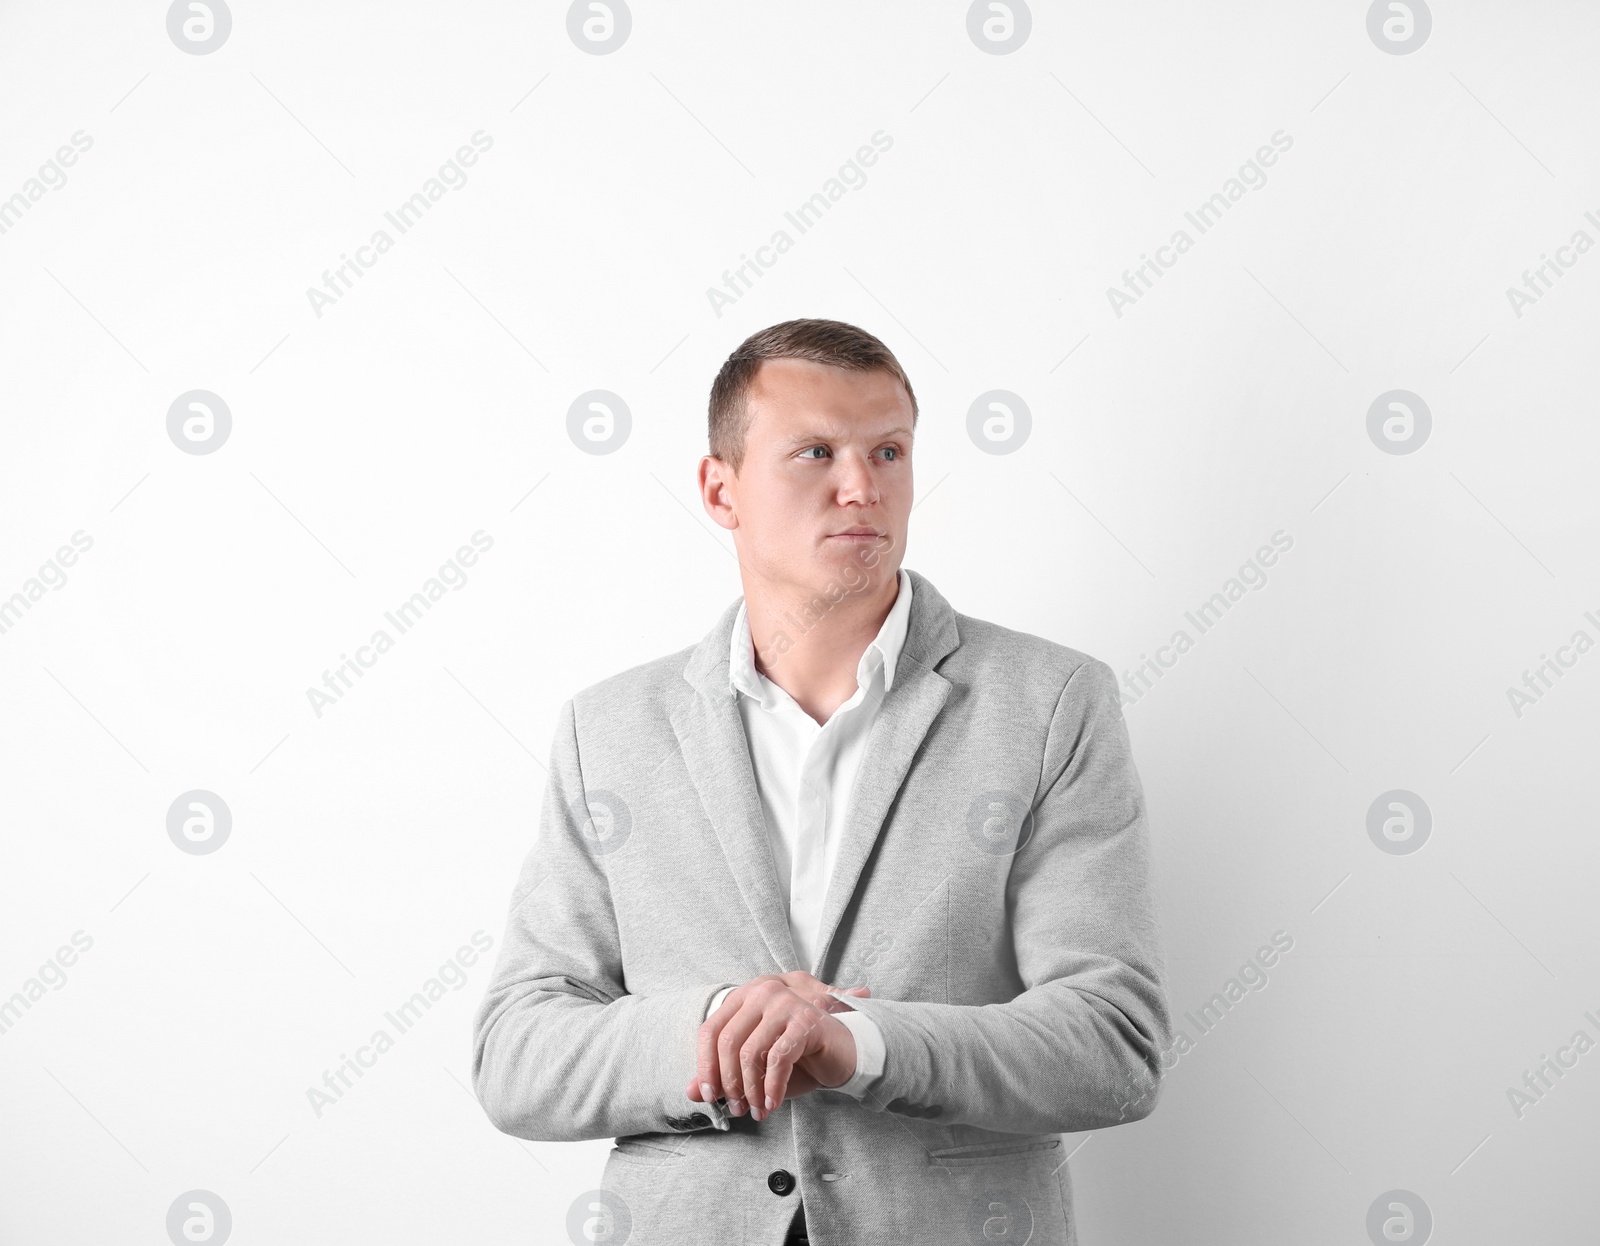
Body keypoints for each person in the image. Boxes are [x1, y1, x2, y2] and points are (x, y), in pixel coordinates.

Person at [472, 318, 1172, 1246]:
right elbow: (518, 1056)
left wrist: (859, 1047)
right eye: (815, 452)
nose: (862, 487)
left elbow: (1112, 1046)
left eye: (889, 451)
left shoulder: (1051, 703)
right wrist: (721, 1027)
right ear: (720, 490)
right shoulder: (609, 731)